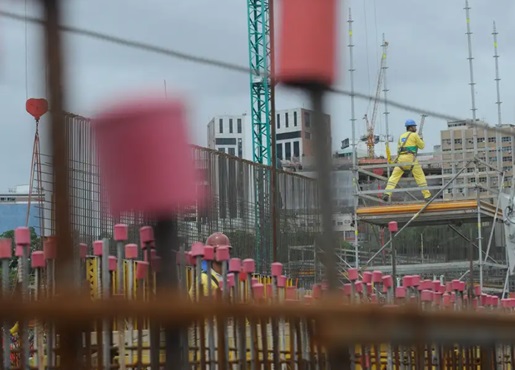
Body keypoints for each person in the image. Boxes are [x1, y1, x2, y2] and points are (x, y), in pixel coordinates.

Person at [382, 119, 431, 202]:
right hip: (411, 159)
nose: (415, 128)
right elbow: (422, 146)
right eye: (414, 126)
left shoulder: (401, 136)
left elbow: (398, 150)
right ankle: (427, 196)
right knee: (420, 177)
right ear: (411, 127)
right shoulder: (414, 135)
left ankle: (387, 193)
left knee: (393, 177)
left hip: (401, 159)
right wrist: (421, 139)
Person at [188, 232, 231, 301]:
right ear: (210, 252)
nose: (223, 252)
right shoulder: (203, 278)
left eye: (226, 250)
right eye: (216, 250)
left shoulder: (228, 277)